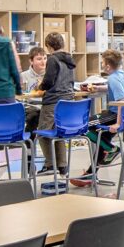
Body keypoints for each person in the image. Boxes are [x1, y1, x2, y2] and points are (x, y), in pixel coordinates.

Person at [71, 51, 124, 187]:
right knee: (101, 139)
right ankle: (91, 174)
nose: (101, 64)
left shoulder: (113, 78)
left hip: (115, 114)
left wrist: (118, 122)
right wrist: (98, 87)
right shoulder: (121, 74)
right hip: (119, 114)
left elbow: (122, 100)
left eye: (102, 62)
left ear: (107, 66)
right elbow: (113, 89)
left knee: (81, 125)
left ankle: (112, 149)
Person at [36, 32, 78, 175]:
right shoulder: (69, 59)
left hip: (53, 102)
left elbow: (48, 81)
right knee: (59, 133)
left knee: (43, 133)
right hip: (68, 102)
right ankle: (62, 165)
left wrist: (40, 87)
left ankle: (49, 164)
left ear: (49, 46)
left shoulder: (53, 59)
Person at [21, 45, 47, 137]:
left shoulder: (50, 75)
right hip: (30, 106)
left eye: (45, 58)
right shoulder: (23, 76)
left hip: (46, 106)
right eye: (39, 59)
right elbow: (20, 97)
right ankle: (28, 145)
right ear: (31, 61)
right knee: (34, 115)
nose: (43, 62)